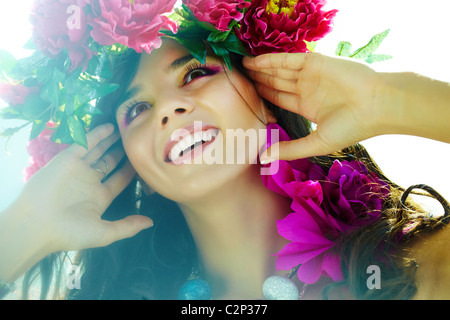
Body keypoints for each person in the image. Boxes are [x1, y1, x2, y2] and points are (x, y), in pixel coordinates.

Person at [0, 0, 449, 300]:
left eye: (195, 74)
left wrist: (388, 99)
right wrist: (22, 229)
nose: (170, 109)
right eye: (136, 108)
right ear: (134, 166)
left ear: (271, 96)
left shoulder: (420, 265)